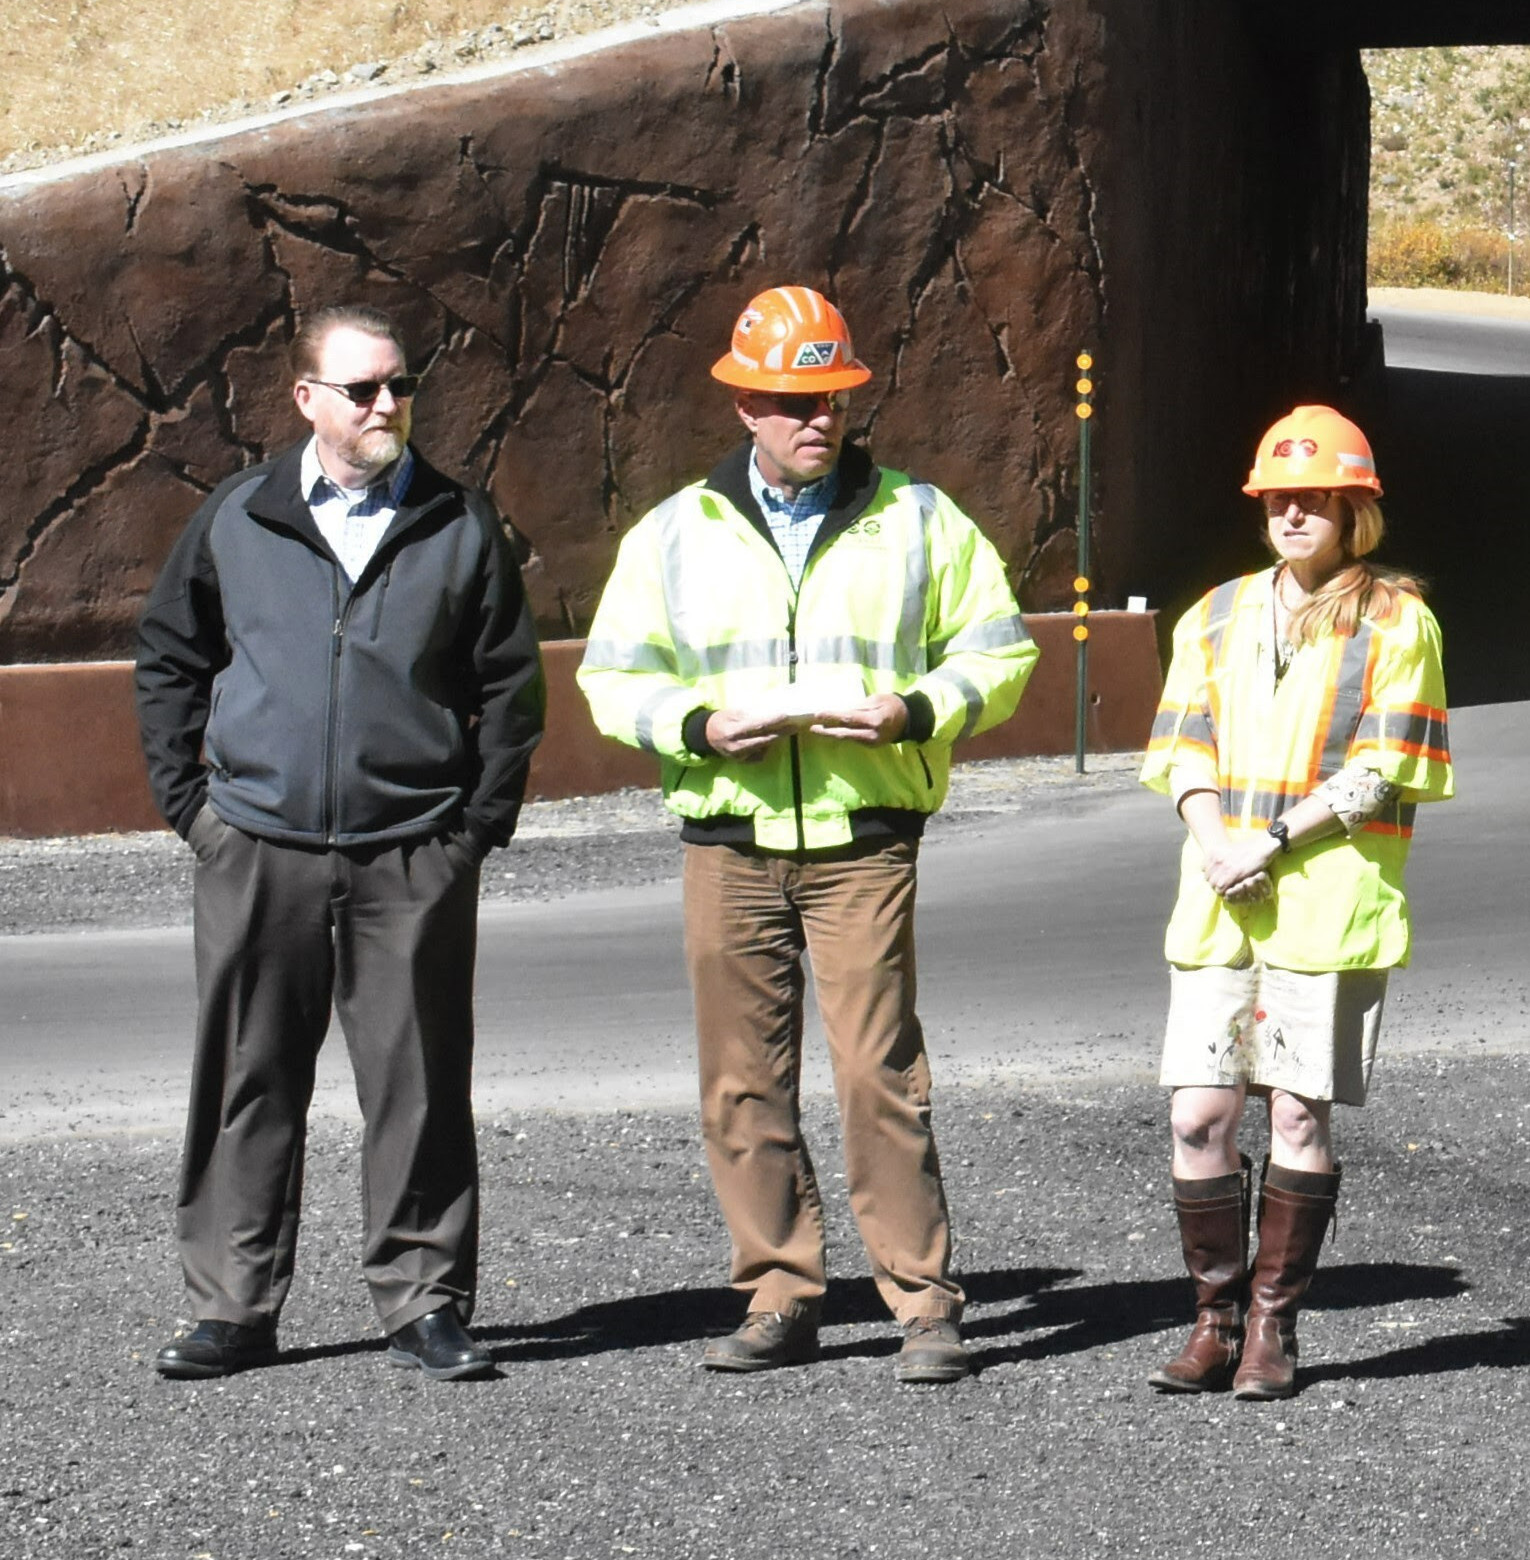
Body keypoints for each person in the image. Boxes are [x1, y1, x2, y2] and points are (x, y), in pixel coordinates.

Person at [576, 286, 1036, 1388]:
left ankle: (923, 1304)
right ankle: (779, 1292)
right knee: (740, 1079)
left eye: (830, 395)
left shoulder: (921, 517)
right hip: (726, 833)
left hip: (863, 833)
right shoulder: (674, 534)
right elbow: (610, 676)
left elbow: (1000, 651)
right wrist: (694, 725)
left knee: (878, 1069)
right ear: (743, 404)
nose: (815, 417)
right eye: (789, 399)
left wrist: (914, 709)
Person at [133, 305, 545, 1384]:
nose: (385, 407)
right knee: (246, 1079)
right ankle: (233, 1304)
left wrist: (472, 831)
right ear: (306, 398)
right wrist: (197, 810)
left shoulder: (458, 522)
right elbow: (170, 656)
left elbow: (510, 687)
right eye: (361, 389)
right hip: (258, 844)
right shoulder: (241, 517)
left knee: (416, 1083)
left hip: (410, 849)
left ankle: (423, 1301)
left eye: (398, 386)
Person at [1142, 404, 1453, 1402]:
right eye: (1278, 495)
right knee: (1198, 1116)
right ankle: (1211, 1319)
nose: (1292, 510)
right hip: (1218, 900)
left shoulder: (1399, 622)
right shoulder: (1217, 614)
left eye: (1315, 495)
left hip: (1326, 905)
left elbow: (1384, 767)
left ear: (1354, 506)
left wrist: (1267, 842)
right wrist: (1216, 841)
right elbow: (1181, 743)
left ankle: (1272, 1329)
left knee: (1296, 1117)